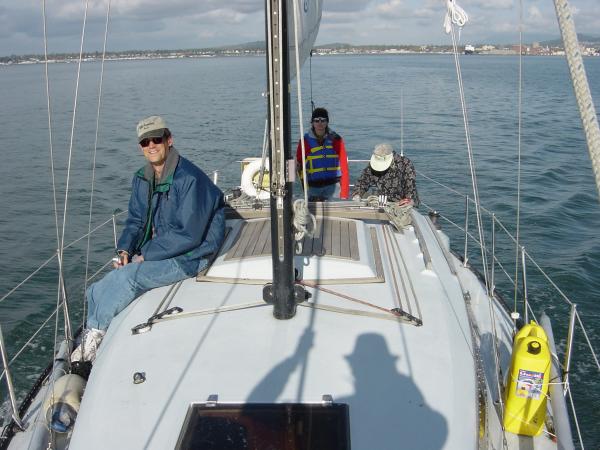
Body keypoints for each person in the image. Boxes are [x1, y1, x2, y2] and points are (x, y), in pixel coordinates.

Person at [72, 115, 225, 364]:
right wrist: (125, 251)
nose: (151, 145)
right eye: (145, 142)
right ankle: (92, 330)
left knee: (129, 277)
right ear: (141, 147)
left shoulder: (189, 179)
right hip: (164, 250)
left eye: (157, 139)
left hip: (192, 256)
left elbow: (189, 234)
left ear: (169, 140)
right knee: (95, 290)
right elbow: (135, 221)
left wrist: (144, 256)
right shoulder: (143, 178)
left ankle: (93, 342)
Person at [296, 107, 349, 201]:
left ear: (327, 122)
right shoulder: (304, 142)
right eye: (316, 120)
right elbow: (300, 168)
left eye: (323, 120)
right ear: (312, 123)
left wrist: (344, 194)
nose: (320, 123)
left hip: (334, 188)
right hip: (313, 189)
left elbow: (344, 168)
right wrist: (305, 189)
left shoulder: (337, 140)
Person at [352, 143, 419, 206]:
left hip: (402, 201)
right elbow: (363, 181)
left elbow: (410, 185)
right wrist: (357, 194)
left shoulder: (405, 163)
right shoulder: (372, 165)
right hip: (383, 201)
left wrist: (408, 200)